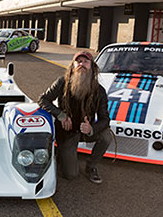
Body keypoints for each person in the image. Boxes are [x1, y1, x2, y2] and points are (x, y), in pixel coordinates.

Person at [38, 51, 111, 184]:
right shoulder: (62, 82)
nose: (81, 64)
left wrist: (91, 129)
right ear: (72, 66)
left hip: (85, 131)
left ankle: (91, 166)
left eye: (85, 62)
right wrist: (61, 115)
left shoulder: (99, 91)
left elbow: (105, 119)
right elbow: (43, 100)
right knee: (70, 175)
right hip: (67, 132)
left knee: (106, 137)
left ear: (92, 67)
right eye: (78, 61)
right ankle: (61, 154)